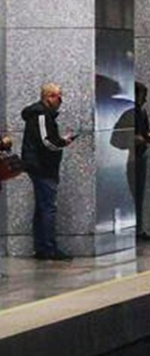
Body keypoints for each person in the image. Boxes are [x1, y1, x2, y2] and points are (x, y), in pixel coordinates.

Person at [21, 82, 76, 260]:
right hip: (42, 167)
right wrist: (62, 143)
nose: (60, 101)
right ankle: (49, 248)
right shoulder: (42, 115)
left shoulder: (41, 115)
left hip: (40, 166)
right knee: (47, 208)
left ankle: (42, 247)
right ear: (48, 97)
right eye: (57, 97)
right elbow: (46, 142)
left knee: (42, 208)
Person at [132, 82, 150, 242]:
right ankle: (135, 228)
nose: (145, 99)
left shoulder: (141, 112)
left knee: (139, 194)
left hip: (140, 154)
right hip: (131, 156)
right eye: (143, 96)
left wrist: (146, 136)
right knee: (135, 193)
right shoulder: (130, 113)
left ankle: (138, 227)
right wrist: (136, 139)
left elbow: (146, 131)